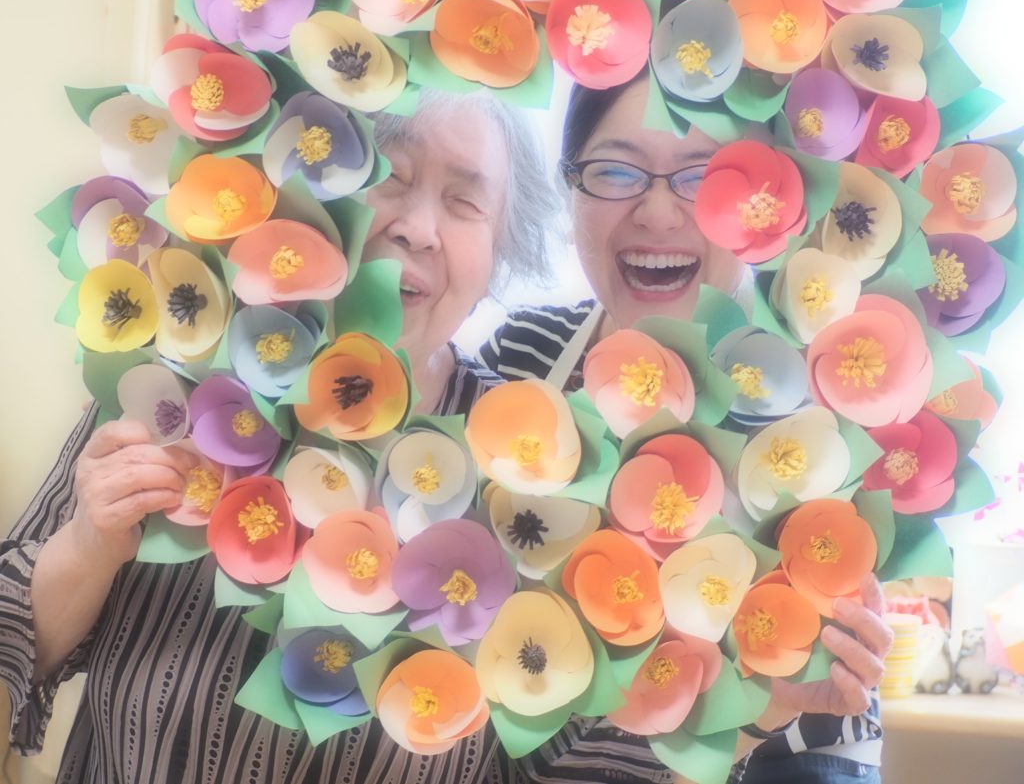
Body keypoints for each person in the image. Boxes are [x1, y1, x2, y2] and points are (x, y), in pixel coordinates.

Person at [0, 89, 560, 784]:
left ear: (503, 248)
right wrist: (90, 546)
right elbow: (11, 634)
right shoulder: (177, 383)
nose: (419, 229)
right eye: (392, 175)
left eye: (465, 202)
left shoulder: (530, 479)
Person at [480, 74, 892, 784]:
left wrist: (757, 713)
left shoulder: (825, 411)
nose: (659, 211)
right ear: (569, 185)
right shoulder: (521, 361)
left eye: (706, 177)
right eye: (615, 171)